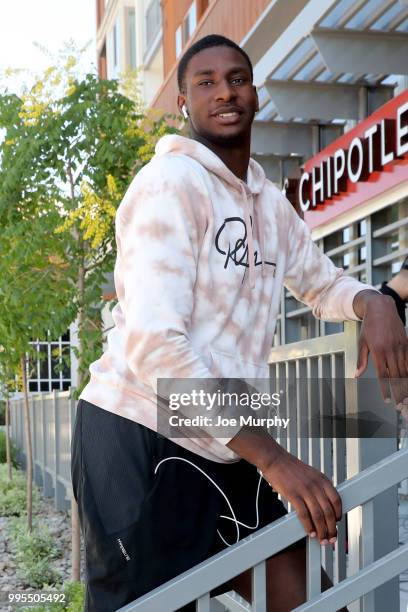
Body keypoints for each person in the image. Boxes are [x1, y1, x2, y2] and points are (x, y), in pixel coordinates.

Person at [71, 35, 408, 612]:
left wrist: (375, 303)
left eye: (237, 79)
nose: (224, 92)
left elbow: (320, 282)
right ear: (183, 101)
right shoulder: (169, 186)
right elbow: (157, 347)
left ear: (255, 95)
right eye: (206, 82)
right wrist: (276, 460)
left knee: (309, 598)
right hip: (143, 436)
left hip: (227, 441)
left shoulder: (268, 201)